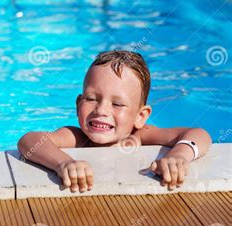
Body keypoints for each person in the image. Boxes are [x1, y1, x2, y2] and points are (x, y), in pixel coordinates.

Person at [18, 50, 211, 192]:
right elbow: (29, 141)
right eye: (92, 99)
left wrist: (179, 156)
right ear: (78, 104)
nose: (101, 110)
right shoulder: (77, 138)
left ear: (140, 116)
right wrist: (63, 163)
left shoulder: (140, 136)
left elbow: (199, 134)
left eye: (117, 104)